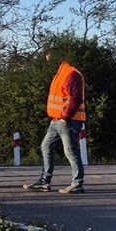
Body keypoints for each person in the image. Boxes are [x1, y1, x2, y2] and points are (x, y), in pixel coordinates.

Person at [23, 48, 86, 194]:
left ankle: (77, 183)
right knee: (46, 146)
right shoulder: (61, 72)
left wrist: (65, 117)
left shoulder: (70, 73)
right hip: (57, 120)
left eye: (49, 57)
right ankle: (44, 182)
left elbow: (75, 98)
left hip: (67, 120)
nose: (47, 60)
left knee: (71, 151)